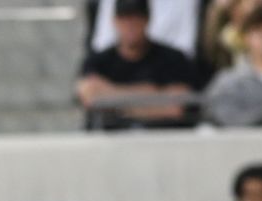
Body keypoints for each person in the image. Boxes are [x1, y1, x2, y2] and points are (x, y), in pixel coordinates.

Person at [76, 0, 200, 130]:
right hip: (109, 142)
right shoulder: (98, 61)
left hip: (162, 140)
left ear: (147, 20)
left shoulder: (173, 59)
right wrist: (151, 94)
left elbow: (175, 107)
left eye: (136, 19)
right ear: (115, 21)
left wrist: (110, 98)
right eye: (125, 19)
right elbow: (88, 96)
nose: (130, 26)